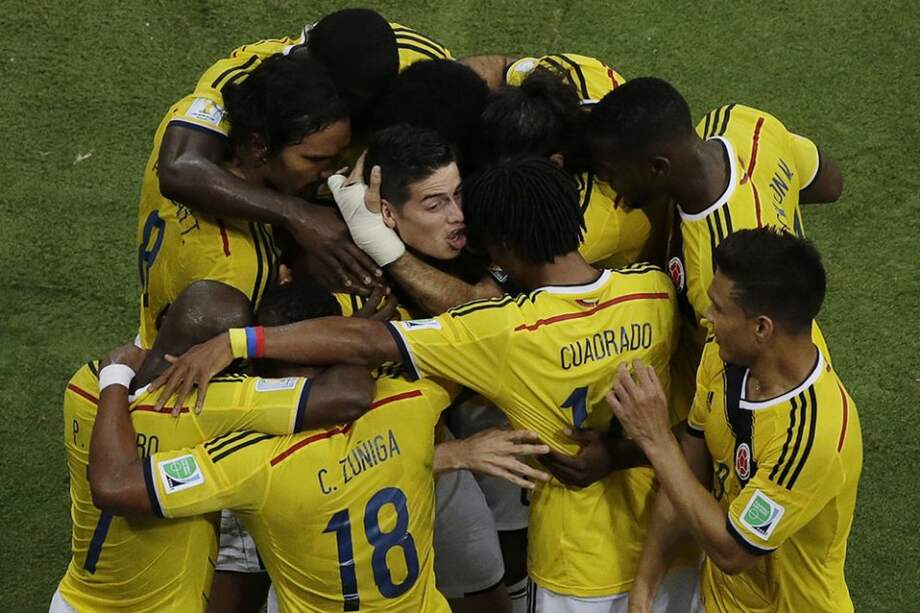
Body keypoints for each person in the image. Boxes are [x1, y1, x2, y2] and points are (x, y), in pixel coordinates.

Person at [150, 156, 696, 612]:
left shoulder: (502, 333)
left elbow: (368, 343)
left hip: (580, 568)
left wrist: (241, 343)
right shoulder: (652, 293)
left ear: (503, 247)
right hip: (673, 539)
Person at [87, 280, 550, 613]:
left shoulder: (251, 461)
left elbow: (113, 486)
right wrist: (359, 343)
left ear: (259, 371)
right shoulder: (409, 401)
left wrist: (115, 375)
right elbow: (480, 348)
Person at [51, 280, 377, 612]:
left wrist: (116, 377)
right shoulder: (216, 403)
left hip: (72, 601)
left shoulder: (87, 384)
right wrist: (347, 339)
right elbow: (349, 396)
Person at [607, 228, 861, 613]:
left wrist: (656, 438)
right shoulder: (723, 357)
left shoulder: (812, 436)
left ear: (761, 327)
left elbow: (732, 551)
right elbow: (686, 477)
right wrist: (643, 589)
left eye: (719, 308)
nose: (706, 318)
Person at [139, 9, 453, 311]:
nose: (364, 119)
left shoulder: (401, 58)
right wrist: (298, 216)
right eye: (350, 104)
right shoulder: (244, 82)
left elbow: (476, 85)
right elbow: (179, 168)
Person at [585, 77, 843, 351]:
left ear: (658, 168)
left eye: (611, 172)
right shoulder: (741, 123)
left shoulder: (722, 271)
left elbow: (745, 370)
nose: (604, 180)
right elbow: (830, 184)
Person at [138, 52, 350, 348]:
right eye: (315, 159)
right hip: (183, 353)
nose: (329, 173)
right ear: (259, 145)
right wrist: (344, 336)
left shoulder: (176, 134)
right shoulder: (243, 273)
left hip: (161, 312)